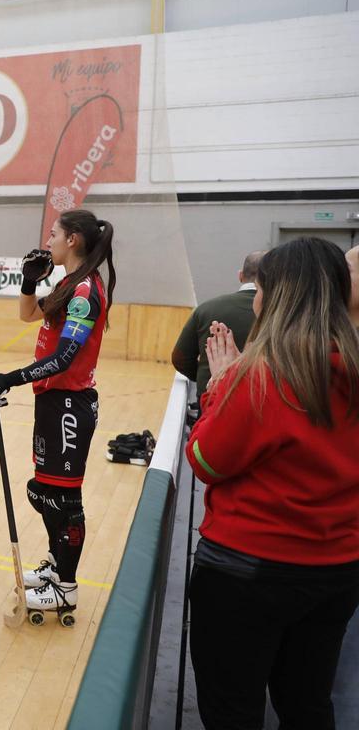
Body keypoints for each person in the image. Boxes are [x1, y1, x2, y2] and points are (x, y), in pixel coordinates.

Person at [186, 237, 359, 730]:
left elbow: (205, 459)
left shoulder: (265, 375)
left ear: (276, 295)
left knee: (232, 711)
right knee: (308, 704)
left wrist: (220, 390)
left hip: (249, 573)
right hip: (339, 568)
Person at [0, 209, 116, 620]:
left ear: (73, 240)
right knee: (44, 493)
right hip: (51, 403)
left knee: (63, 499)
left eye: (55, 233)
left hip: (69, 407)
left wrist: (11, 377)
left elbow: (65, 357)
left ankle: (67, 586)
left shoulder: (86, 292)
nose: (50, 240)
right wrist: (28, 281)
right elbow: (28, 315)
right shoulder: (67, 284)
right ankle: (56, 567)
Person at [171, 250, 263, 398]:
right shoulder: (283, 315)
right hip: (258, 405)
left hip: (211, 401)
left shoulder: (206, 308)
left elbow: (180, 358)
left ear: (240, 276)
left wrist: (208, 375)